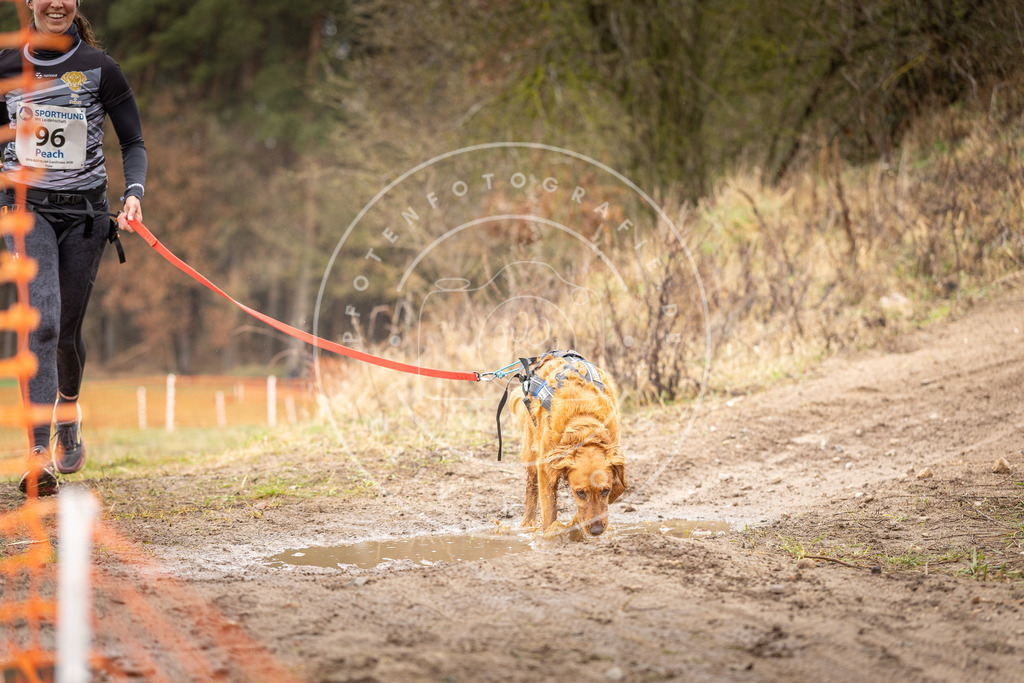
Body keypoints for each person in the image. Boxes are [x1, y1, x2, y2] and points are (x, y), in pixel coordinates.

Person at [0, 0, 146, 495]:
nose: (56, 3)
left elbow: (133, 142)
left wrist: (133, 195)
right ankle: (37, 453)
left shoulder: (100, 69)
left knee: (65, 331)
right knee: (40, 320)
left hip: (86, 215)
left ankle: (68, 408)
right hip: (25, 209)